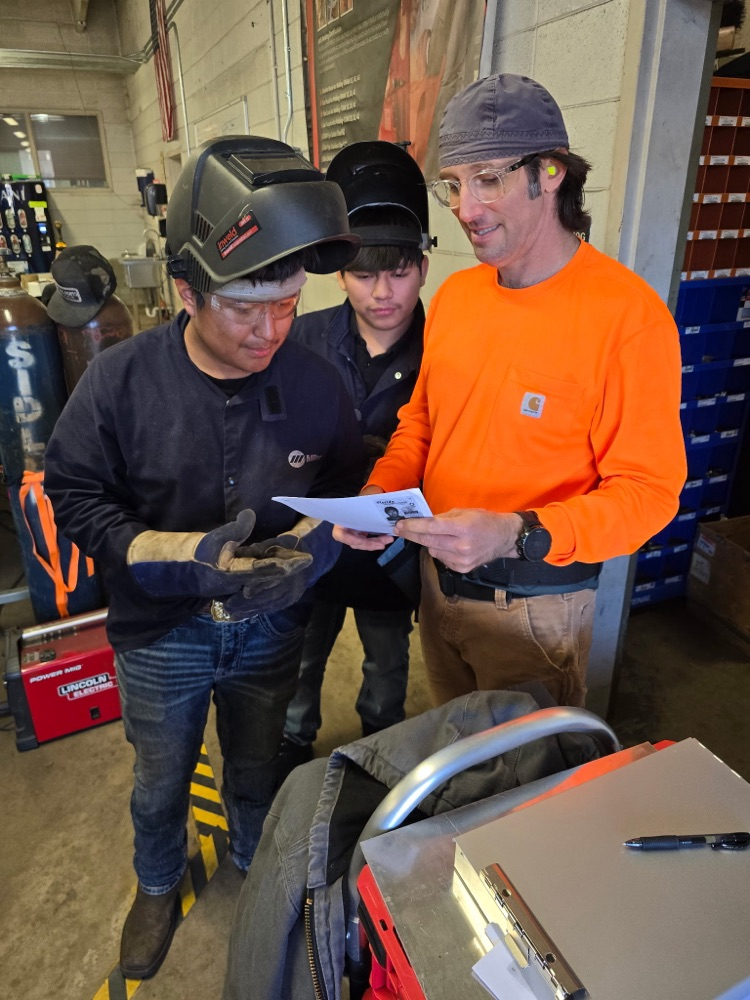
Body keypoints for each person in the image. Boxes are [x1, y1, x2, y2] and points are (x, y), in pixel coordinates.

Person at [43, 136, 364, 981]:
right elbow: (72, 493)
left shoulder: (317, 384)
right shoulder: (118, 384)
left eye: (289, 304)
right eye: (245, 309)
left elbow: (343, 480)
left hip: (269, 630)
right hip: (161, 633)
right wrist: (174, 553)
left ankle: (260, 866)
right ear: (186, 291)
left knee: (259, 761)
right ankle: (157, 885)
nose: (271, 330)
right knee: (162, 776)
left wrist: (316, 549)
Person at [334, 73, 687, 710]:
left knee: (525, 790)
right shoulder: (458, 298)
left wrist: (518, 533)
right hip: (436, 589)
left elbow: (649, 494)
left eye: (488, 179)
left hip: (533, 610)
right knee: (461, 767)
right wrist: (379, 495)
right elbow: (422, 421)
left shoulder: (627, 317)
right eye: (454, 185)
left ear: (550, 172)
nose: (466, 208)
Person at [280, 141, 431, 768]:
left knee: (387, 663)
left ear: (423, 266)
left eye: (398, 271)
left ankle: (378, 749)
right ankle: (291, 742)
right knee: (301, 657)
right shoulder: (302, 340)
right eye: (365, 274)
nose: (382, 292)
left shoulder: (446, 349)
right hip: (311, 539)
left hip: (394, 555)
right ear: (340, 274)